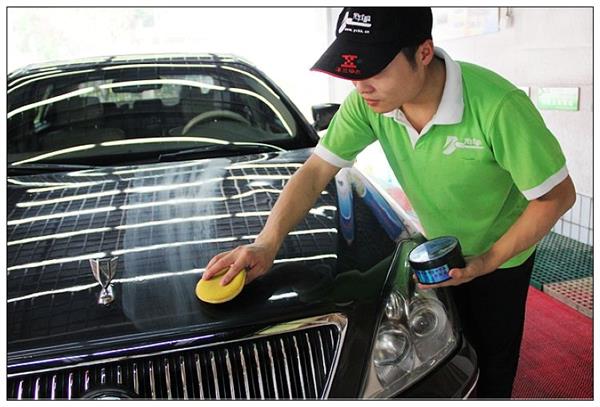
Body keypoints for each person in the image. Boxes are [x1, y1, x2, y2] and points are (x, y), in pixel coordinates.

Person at [203, 7, 576, 399]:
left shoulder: (498, 107)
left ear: (424, 53)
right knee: (445, 346)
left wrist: (487, 260)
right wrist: (266, 243)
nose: (361, 86)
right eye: (352, 71)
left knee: (494, 355)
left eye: (374, 69)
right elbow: (314, 172)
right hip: (438, 247)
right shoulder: (369, 103)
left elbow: (557, 196)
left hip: (503, 251)